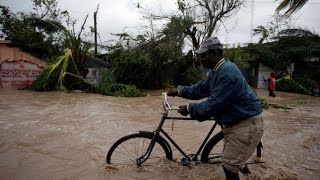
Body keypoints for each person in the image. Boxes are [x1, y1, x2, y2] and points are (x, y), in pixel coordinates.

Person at [167, 37, 264, 180]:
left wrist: (189, 108)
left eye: (203, 55)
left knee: (229, 168)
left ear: (216, 53)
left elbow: (213, 104)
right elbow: (200, 88)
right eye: (200, 55)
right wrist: (180, 91)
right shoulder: (216, 71)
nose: (200, 59)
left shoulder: (227, 73)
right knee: (231, 162)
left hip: (245, 125)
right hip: (235, 123)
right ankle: (247, 173)